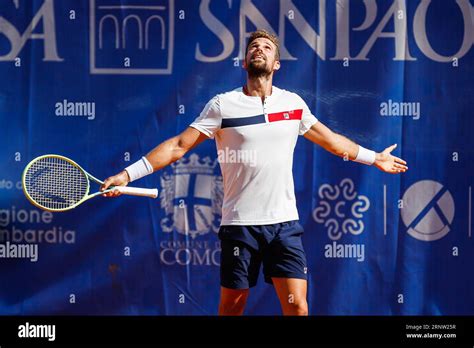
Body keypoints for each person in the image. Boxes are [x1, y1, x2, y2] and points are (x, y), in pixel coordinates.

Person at [101, 29, 408, 316]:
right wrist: (127, 175)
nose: (259, 49)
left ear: (276, 64)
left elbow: (332, 141)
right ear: (245, 62)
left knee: (298, 307)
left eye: (266, 47)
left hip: (283, 225)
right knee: (232, 308)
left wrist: (374, 157)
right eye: (253, 47)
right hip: (240, 226)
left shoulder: (293, 104)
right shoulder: (223, 105)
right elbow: (178, 145)